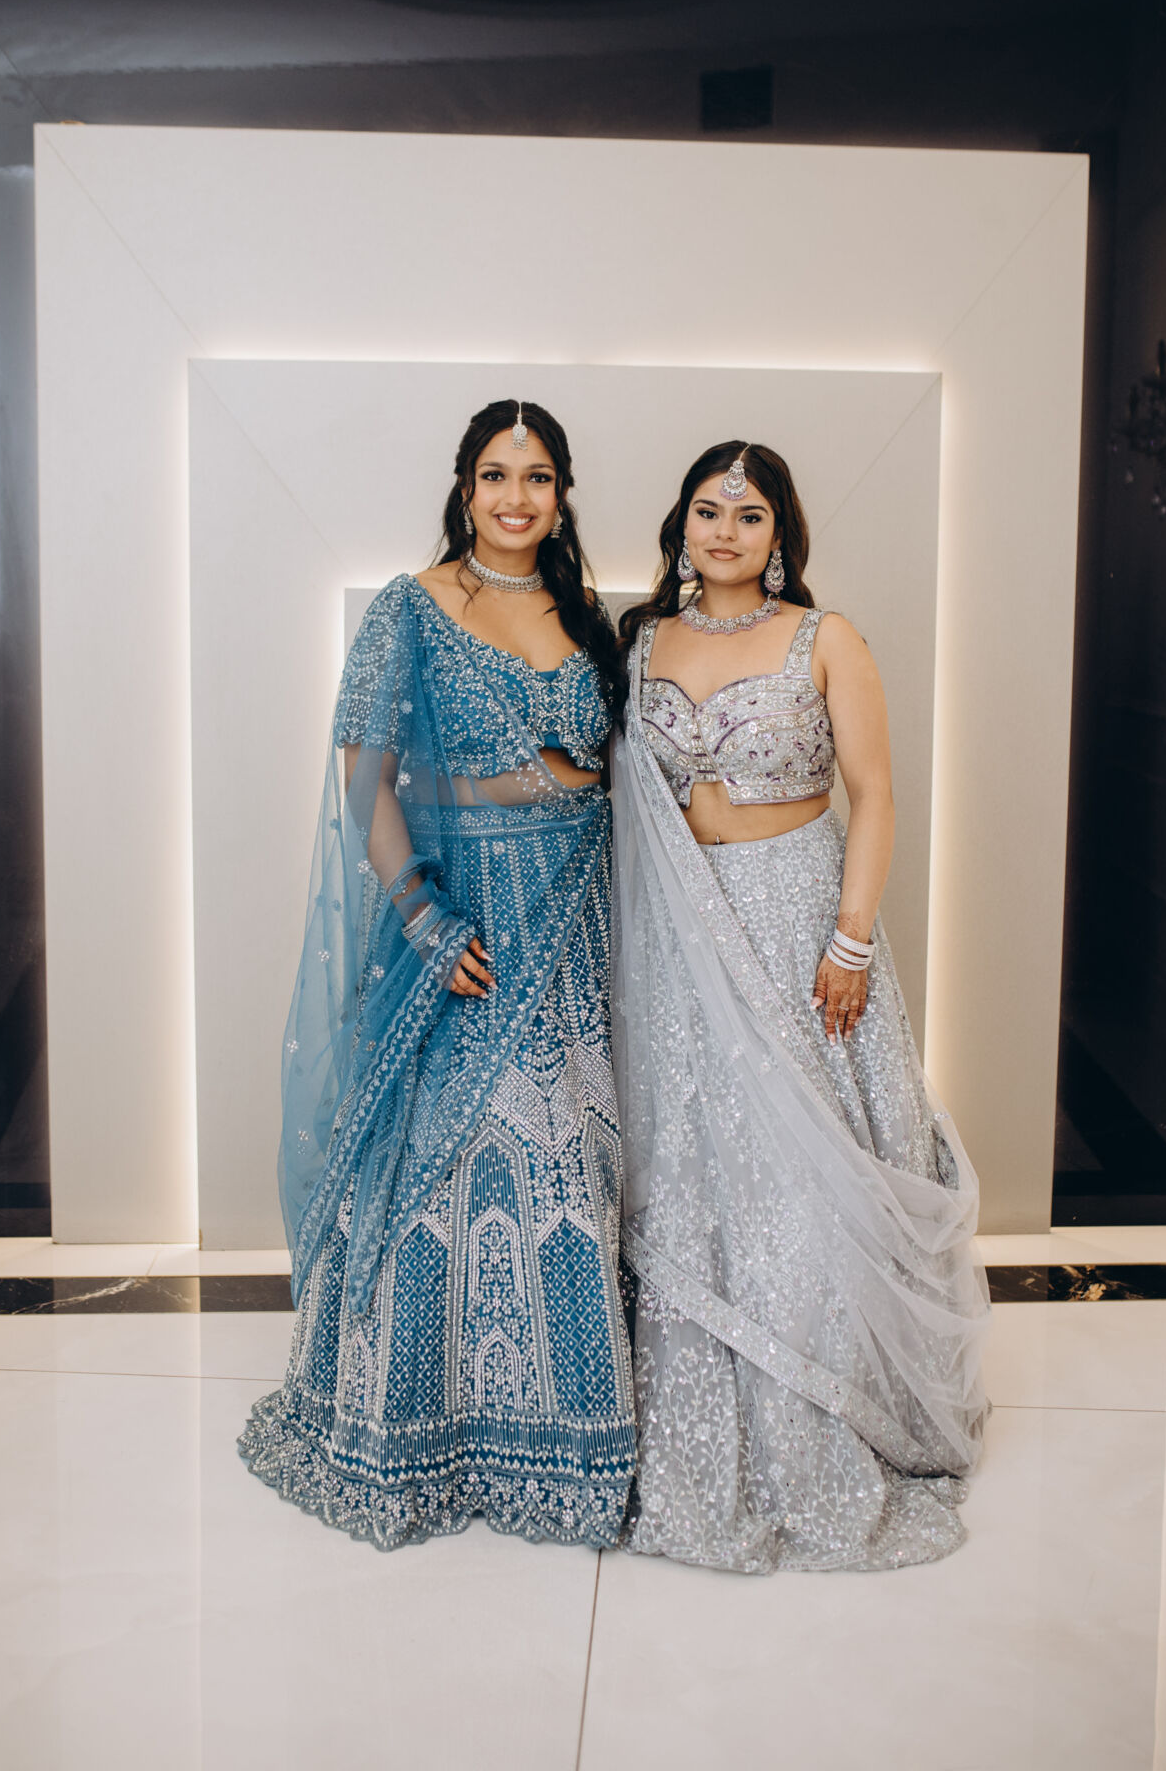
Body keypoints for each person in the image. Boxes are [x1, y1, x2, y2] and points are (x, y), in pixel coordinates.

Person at [240, 400, 636, 1550]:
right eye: (495, 475)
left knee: (572, 1161)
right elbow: (362, 783)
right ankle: (423, 1430)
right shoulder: (408, 609)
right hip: (468, 919)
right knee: (452, 1165)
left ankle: (568, 1437)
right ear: (464, 488)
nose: (516, 497)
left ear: (561, 494)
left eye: (538, 477)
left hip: (576, 912)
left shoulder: (582, 611)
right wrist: (418, 916)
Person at [613, 439, 989, 1572]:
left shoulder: (827, 640)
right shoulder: (641, 642)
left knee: (804, 1164)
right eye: (706, 509)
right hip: (679, 932)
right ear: (681, 524)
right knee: (701, 1162)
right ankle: (709, 1405)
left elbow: (874, 795)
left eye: (749, 514)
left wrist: (851, 936)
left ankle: (834, 1400)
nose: (724, 530)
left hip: (797, 923)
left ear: (780, 536)